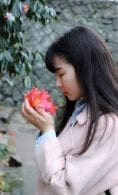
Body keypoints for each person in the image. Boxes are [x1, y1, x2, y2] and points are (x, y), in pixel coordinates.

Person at [22, 26, 118, 195]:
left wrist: (47, 132)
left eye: (61, 74)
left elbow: (65, 188)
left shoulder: (108, 125)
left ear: (84, 68)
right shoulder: (81, 110)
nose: (58, 84)